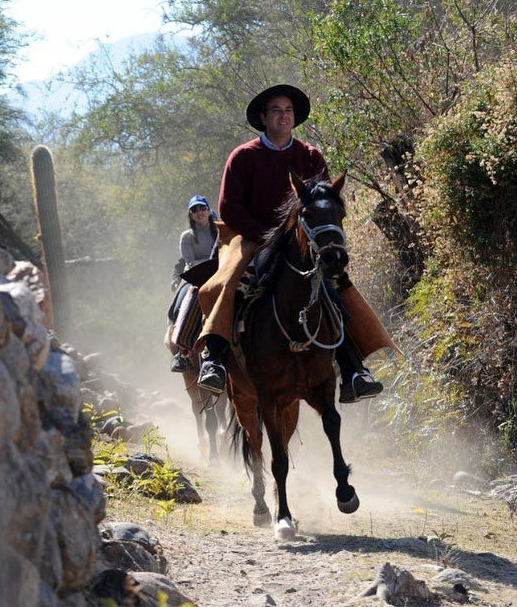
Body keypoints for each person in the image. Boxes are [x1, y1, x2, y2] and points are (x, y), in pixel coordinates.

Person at [196, 84, 393, 400]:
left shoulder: (310, 155)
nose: (283, 116)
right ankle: (215, 359)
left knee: (335, 287)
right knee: (227, 282)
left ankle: (354, 369)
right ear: (264, 117)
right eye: (276, 110)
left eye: (287, 110)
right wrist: (267, 236)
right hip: (252, 238)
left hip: (301, 240)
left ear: (294, 117)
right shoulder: (243, 157)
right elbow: (230, 207)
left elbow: (324, 200)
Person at [167, 195, 218, 372]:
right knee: (188, 300)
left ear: (208, 210)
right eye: (194, 210)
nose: (199, 213)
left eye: (202, 208)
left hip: (221, 272)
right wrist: (210, 263)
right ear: (191, 214)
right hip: (199, 275)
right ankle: (183, 351)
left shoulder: (219, 229)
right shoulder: (187, 236)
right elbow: (189, 262)